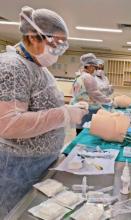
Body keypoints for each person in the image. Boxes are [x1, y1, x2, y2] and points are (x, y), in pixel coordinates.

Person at [0, 6, 88, 218]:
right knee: (14, 214)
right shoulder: (11, 66)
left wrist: (71, 109)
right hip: (17, 168)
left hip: (39, 164)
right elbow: (8, 124)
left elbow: (45, 106)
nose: (59, 50)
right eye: (56, 44)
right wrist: (65, 114)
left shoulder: (40, 68)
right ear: (33, 37)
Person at [71, 53, 117, 135]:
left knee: (80, 133)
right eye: (95, 68)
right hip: (89, 110)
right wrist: (109, 101)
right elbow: (95, 94)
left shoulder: (79, 76)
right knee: (85, 134)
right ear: (90, 66)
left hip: (82, 108)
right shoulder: (88, 77)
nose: (95, 70)